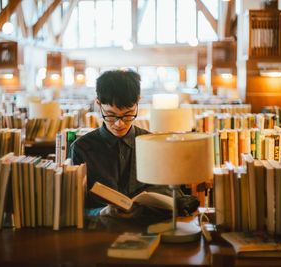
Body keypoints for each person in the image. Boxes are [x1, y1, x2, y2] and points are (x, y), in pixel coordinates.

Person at [69, 70, 198, 218]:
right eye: (110, 115)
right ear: (98, 104)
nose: (119, 124)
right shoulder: (81, 148)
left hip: (149, 226)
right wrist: (99, 212)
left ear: (138, 101)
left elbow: (172, 196)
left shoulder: (153, 144)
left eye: (128, 114)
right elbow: (73, 207)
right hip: (101, 230)